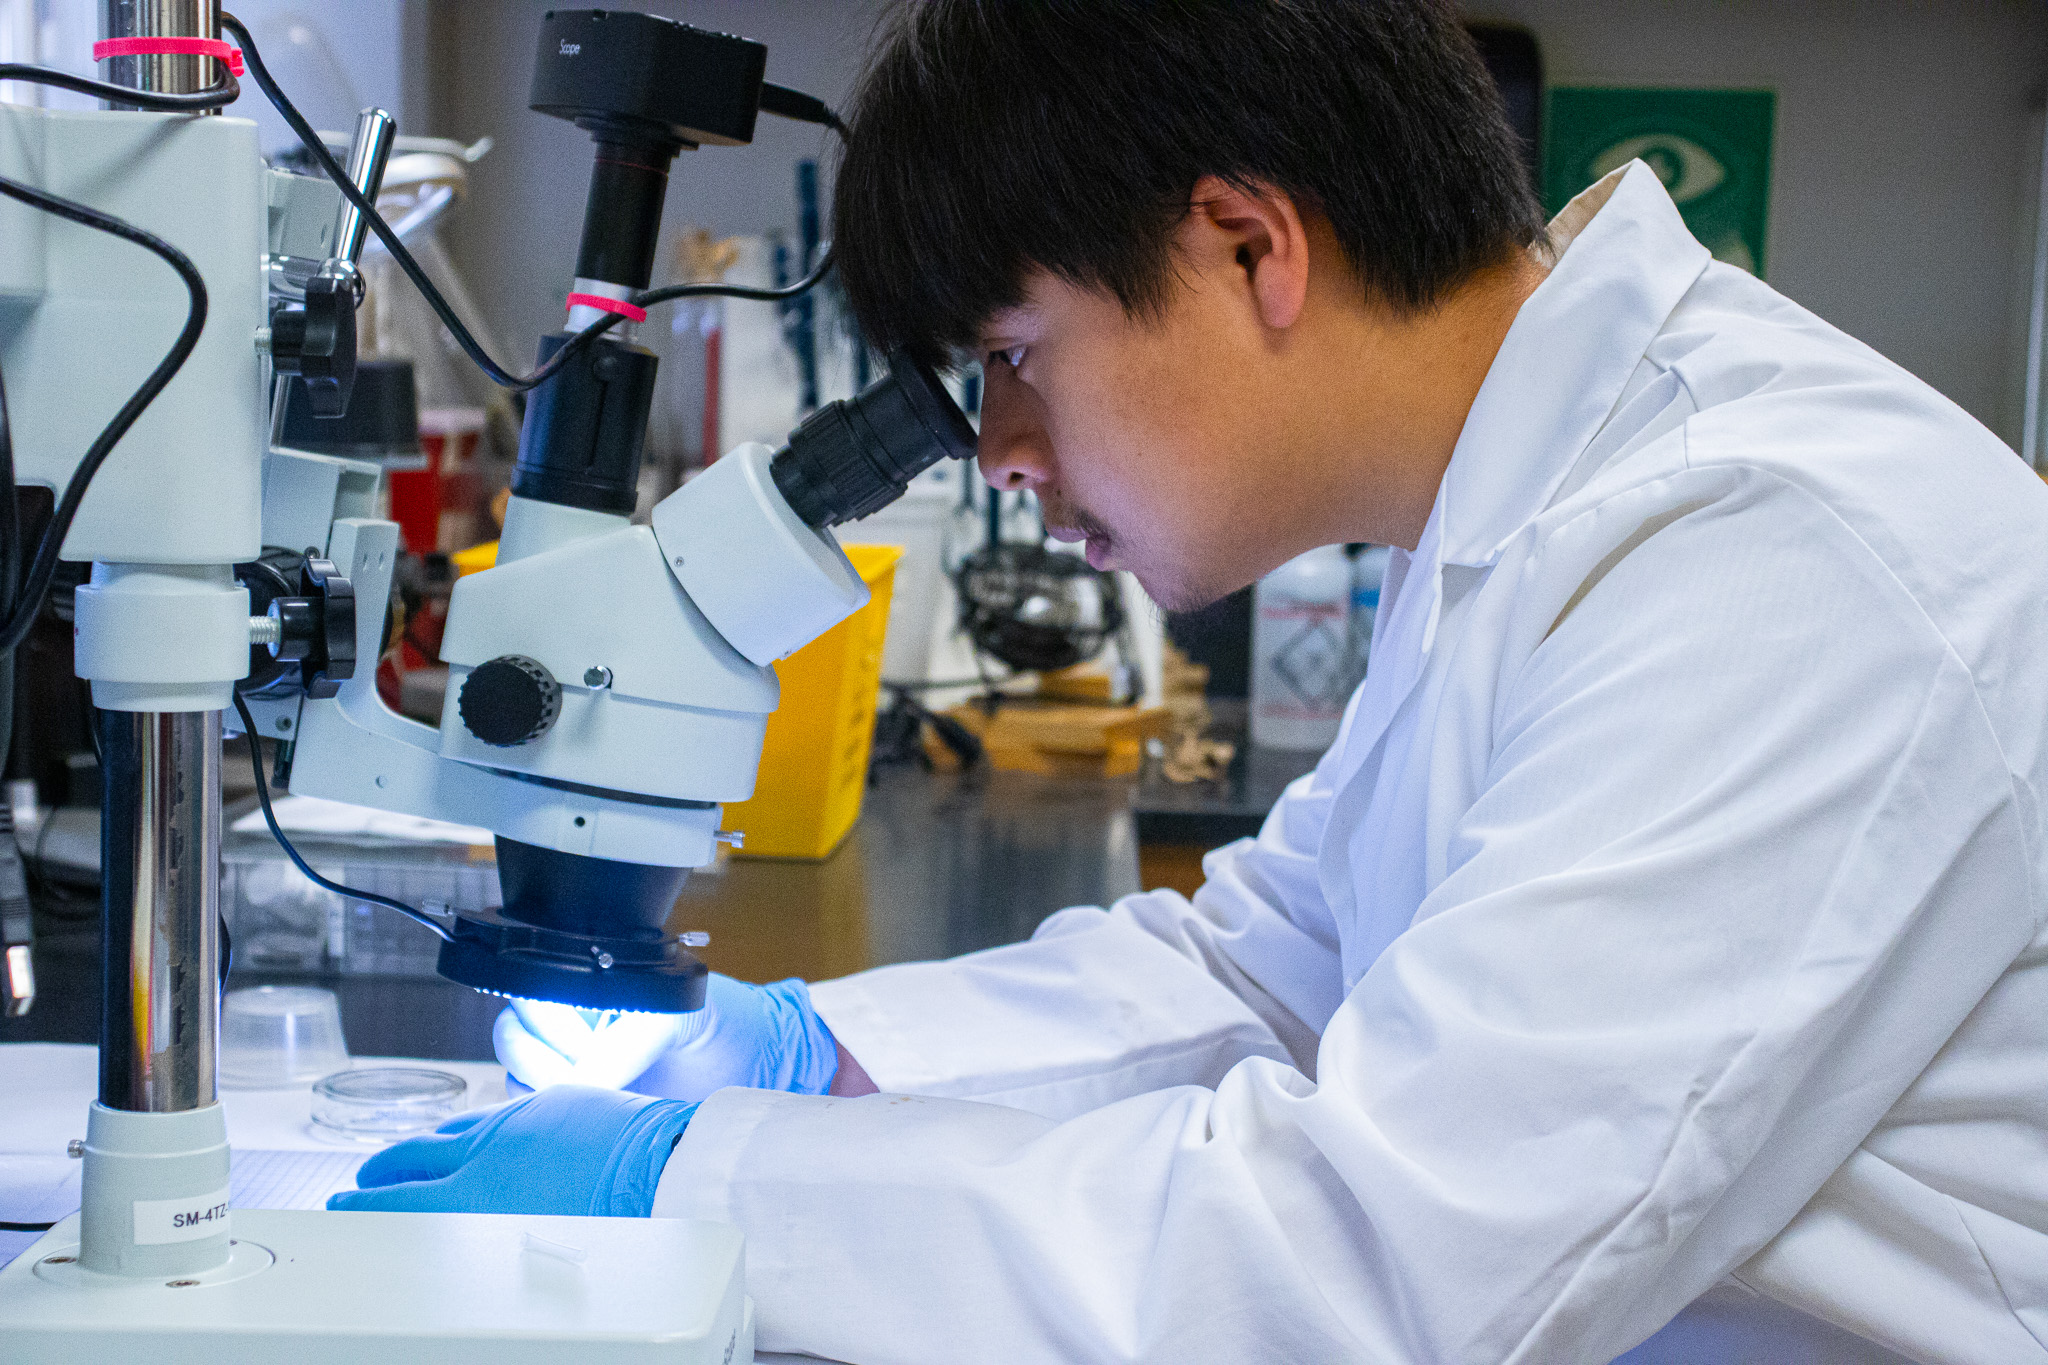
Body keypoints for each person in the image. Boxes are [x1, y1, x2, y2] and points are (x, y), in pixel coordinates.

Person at [333, 3, 2048, 1361]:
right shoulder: (1527, 510)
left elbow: (1366, 1271)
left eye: (1013, 354)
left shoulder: (1774, 555)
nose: (997, 448)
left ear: (1248, 247)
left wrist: (687, 1184)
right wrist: (799, 1053)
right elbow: (1266, 968)